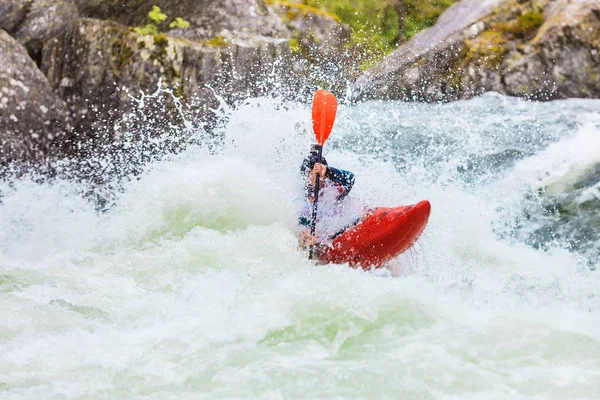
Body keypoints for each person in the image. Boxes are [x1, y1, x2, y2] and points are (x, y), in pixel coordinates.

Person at [298, 145, 356, 255]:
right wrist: (307, 237)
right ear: (306, 176)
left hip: (342, 229)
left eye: (322, 175)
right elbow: (301, 224)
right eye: (315, 175)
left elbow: (350, 178)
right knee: (304, 239)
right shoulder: (303, 201)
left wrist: (328, 171)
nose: (321, 179)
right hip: (324, 240)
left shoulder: (333, 187)